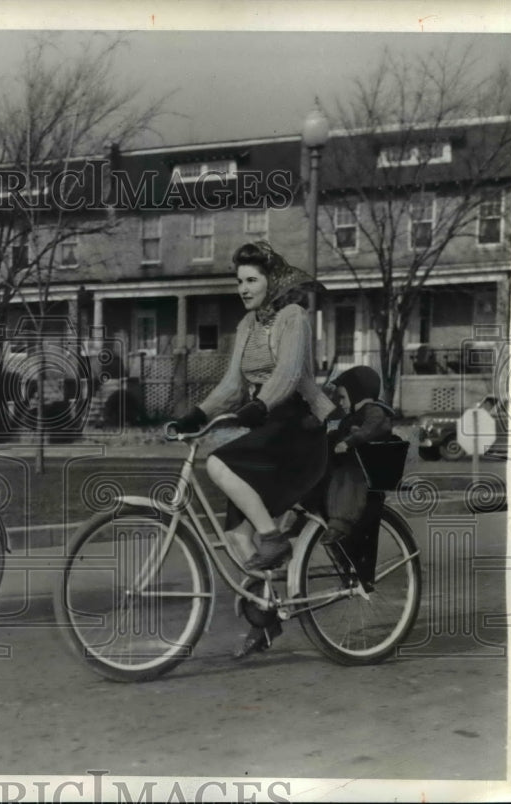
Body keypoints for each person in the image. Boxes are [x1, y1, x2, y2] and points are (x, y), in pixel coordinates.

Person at [168, 241, 335, 658]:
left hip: (297, 425)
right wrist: (196, 414)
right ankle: (266, 618)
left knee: (219, 462)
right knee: (234, 536)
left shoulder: (293, 317)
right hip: (267, 422)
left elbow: (290, 372)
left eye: (252, 280)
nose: (243, 288)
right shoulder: (246, 326)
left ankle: (273, 537)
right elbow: (231, 386)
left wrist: (261, 404)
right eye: (239, 281)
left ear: (271, 280)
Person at [322, 365, 395, 547]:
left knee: (349, 484)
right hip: (351, 462)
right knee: (335, 481)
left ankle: (340, 525)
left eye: (342, 397)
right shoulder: (352, 415)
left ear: (357, 393)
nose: (340, 402)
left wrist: (348, 441)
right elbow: (339, 430)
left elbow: (370, 429)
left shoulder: (374, 410)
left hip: (366, 465)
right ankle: (331, 519)